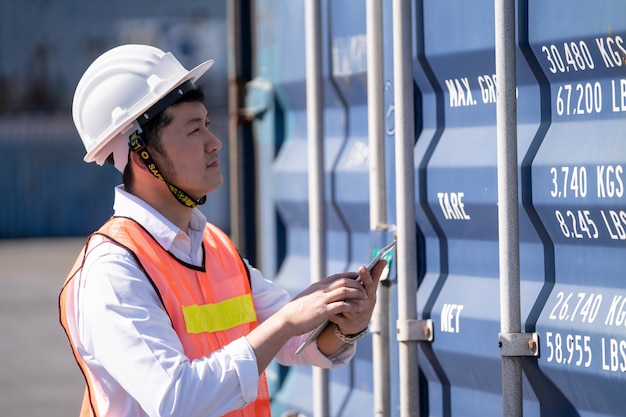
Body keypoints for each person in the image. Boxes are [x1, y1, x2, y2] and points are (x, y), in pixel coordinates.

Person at [59, 44, 386, 417]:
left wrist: (345, 323)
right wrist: (288, 318)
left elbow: (297, 342)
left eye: (208, 125)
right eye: (194, 130)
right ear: (140, 156)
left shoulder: (214, 246)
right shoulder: (112, 271)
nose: (214, 143)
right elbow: (179, 400)